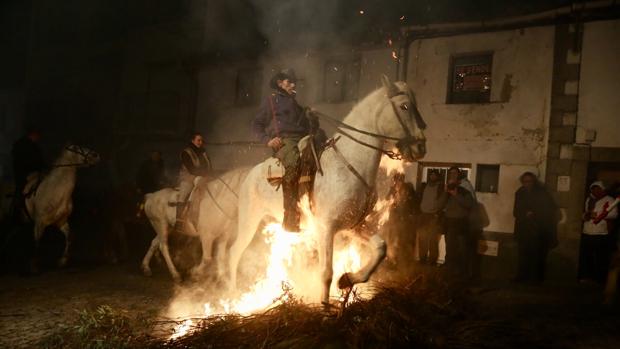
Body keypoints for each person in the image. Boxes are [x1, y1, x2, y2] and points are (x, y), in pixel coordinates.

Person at [252, 69, 316, 232]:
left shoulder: (296, 105)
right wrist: (268, 140)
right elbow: (257, 125)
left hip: (301, 139)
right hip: (285, 142)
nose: (294, 85)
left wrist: (311, 118)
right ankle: (290, 217)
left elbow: (307, 127)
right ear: (280, 83)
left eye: (294, 82)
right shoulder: (271, 101)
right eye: (290, 81)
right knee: (293, 164)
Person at [512, 172, 558, 284]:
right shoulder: (519, 193)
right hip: (523, 229)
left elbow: (549, 210)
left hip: (537, 229)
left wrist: (535, 214)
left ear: (534, 182)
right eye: (525, 181)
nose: (527, 184)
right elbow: (516, 211)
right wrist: (524, 214)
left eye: (530, 181)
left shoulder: (541, 193)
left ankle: (536, 278)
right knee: (523, 254)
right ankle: (522, 276)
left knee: (537, 255)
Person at [578, 181, 618, 283]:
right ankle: (588, 276)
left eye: (598, 189)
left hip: (601, 233)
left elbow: (614, 214)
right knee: (587, 256)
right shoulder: (589, 200)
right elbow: (585, 213)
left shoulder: (610, 200)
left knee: (601, 257)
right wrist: (585, 216)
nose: (595, 191)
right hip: (588, 231)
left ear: (602, 189)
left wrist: (598, 215)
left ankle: (600, 278)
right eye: (593, 189)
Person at [174, 133, 211, 234]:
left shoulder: (203, 152)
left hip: (202, 177)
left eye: (201, 140)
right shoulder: (186, 152)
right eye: (198, 140)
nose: (201, 142)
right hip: (188, 177)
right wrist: (201, 175)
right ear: (192, 140)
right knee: (184, 196)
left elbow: (208, 165)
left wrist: (209, 174)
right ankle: (179, 221)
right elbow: (191, 168)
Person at [443, 176, 475, 276]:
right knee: (449, 248)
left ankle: (462, 272)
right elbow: (440, 205)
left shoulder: (465, 192)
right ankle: (449, 271)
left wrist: (456, 195)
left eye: (453, 182)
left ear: (458, 182)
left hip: (461, 224)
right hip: (449, 223)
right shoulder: (447, 193)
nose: (451, 184)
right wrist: (445, 193)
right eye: (449, 182)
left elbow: (469, 204)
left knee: (462, 249)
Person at [11, 125, 45, 217]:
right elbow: (21, 160)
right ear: (32, 134)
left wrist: (42, 167)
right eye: (37, 135)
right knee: (21, 189)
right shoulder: (20, 144)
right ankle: (17, 210)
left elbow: (39, 160)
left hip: (35, 173)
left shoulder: (35, 146)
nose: (38, 137)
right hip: (23, 174)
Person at [385, 173, 418, 266]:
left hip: (404, 220)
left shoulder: (409, 189)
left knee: (403, 240)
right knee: (392, 239)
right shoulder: (392, 189)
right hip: (393, 219)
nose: (398, 182)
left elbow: (413, 203)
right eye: (396, 180)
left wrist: (410, 215)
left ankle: (404, 261)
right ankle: (392, 259)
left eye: (400, 180)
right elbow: (387, 199)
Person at [417, 169, 445, 265]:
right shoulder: (424, 186)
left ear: (437, 177)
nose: (432, 176)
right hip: (423, 215)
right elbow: (419, 199)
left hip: (433, 216)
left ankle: (432, 261)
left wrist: (438, 214)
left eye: (434, 175)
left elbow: (442, 202)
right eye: (431, 175)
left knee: (433, 240)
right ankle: (422, 259)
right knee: (422, 238)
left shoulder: (440, 187)